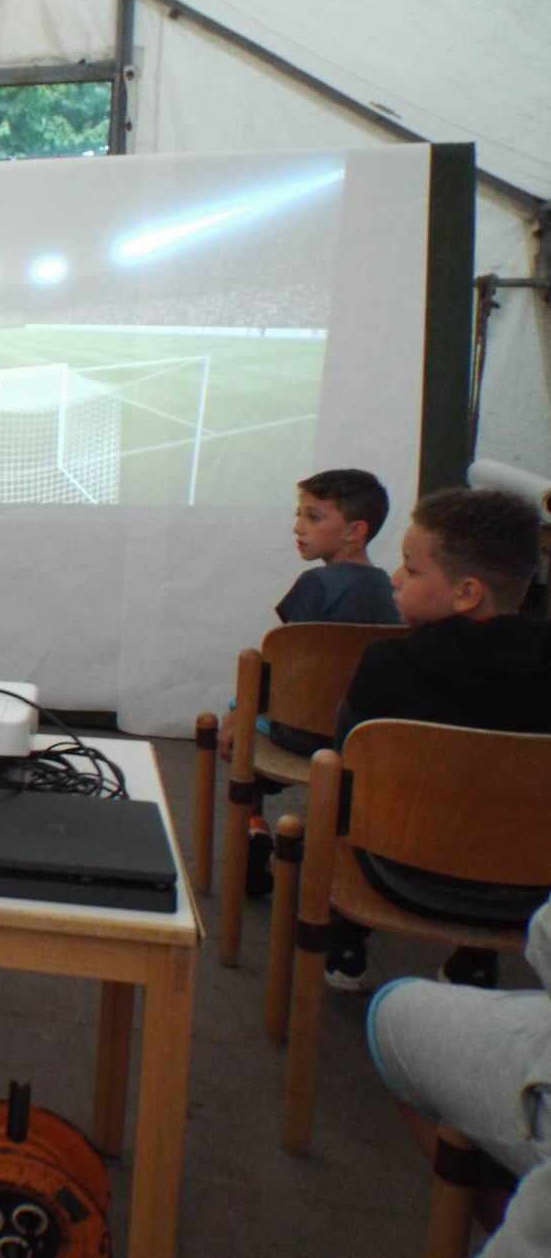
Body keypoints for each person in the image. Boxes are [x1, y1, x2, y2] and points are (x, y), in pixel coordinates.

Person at [325, 487, 551, 993]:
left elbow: (346, 774)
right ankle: (476, 958)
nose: (395, 578)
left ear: (467, 593)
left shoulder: (388, 665)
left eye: (411, 569)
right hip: (535, 892)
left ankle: (345, 932)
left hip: (400, 874)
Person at [217, 468, 402, 895]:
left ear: (355, 531)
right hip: (361, 739)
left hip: (299, 734)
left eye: (313, 517)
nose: (298, 527)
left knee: (243, 725)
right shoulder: (389, 590)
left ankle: (253, 827)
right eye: (298, 515)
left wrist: (237, 711)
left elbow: (285, 668)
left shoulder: (316, 583)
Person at [365, 893, 551, 1256]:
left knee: (391, 1019)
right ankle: (475, 958)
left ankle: (342, 939)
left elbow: (544, 934)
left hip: (402, 884)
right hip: (512, 900)